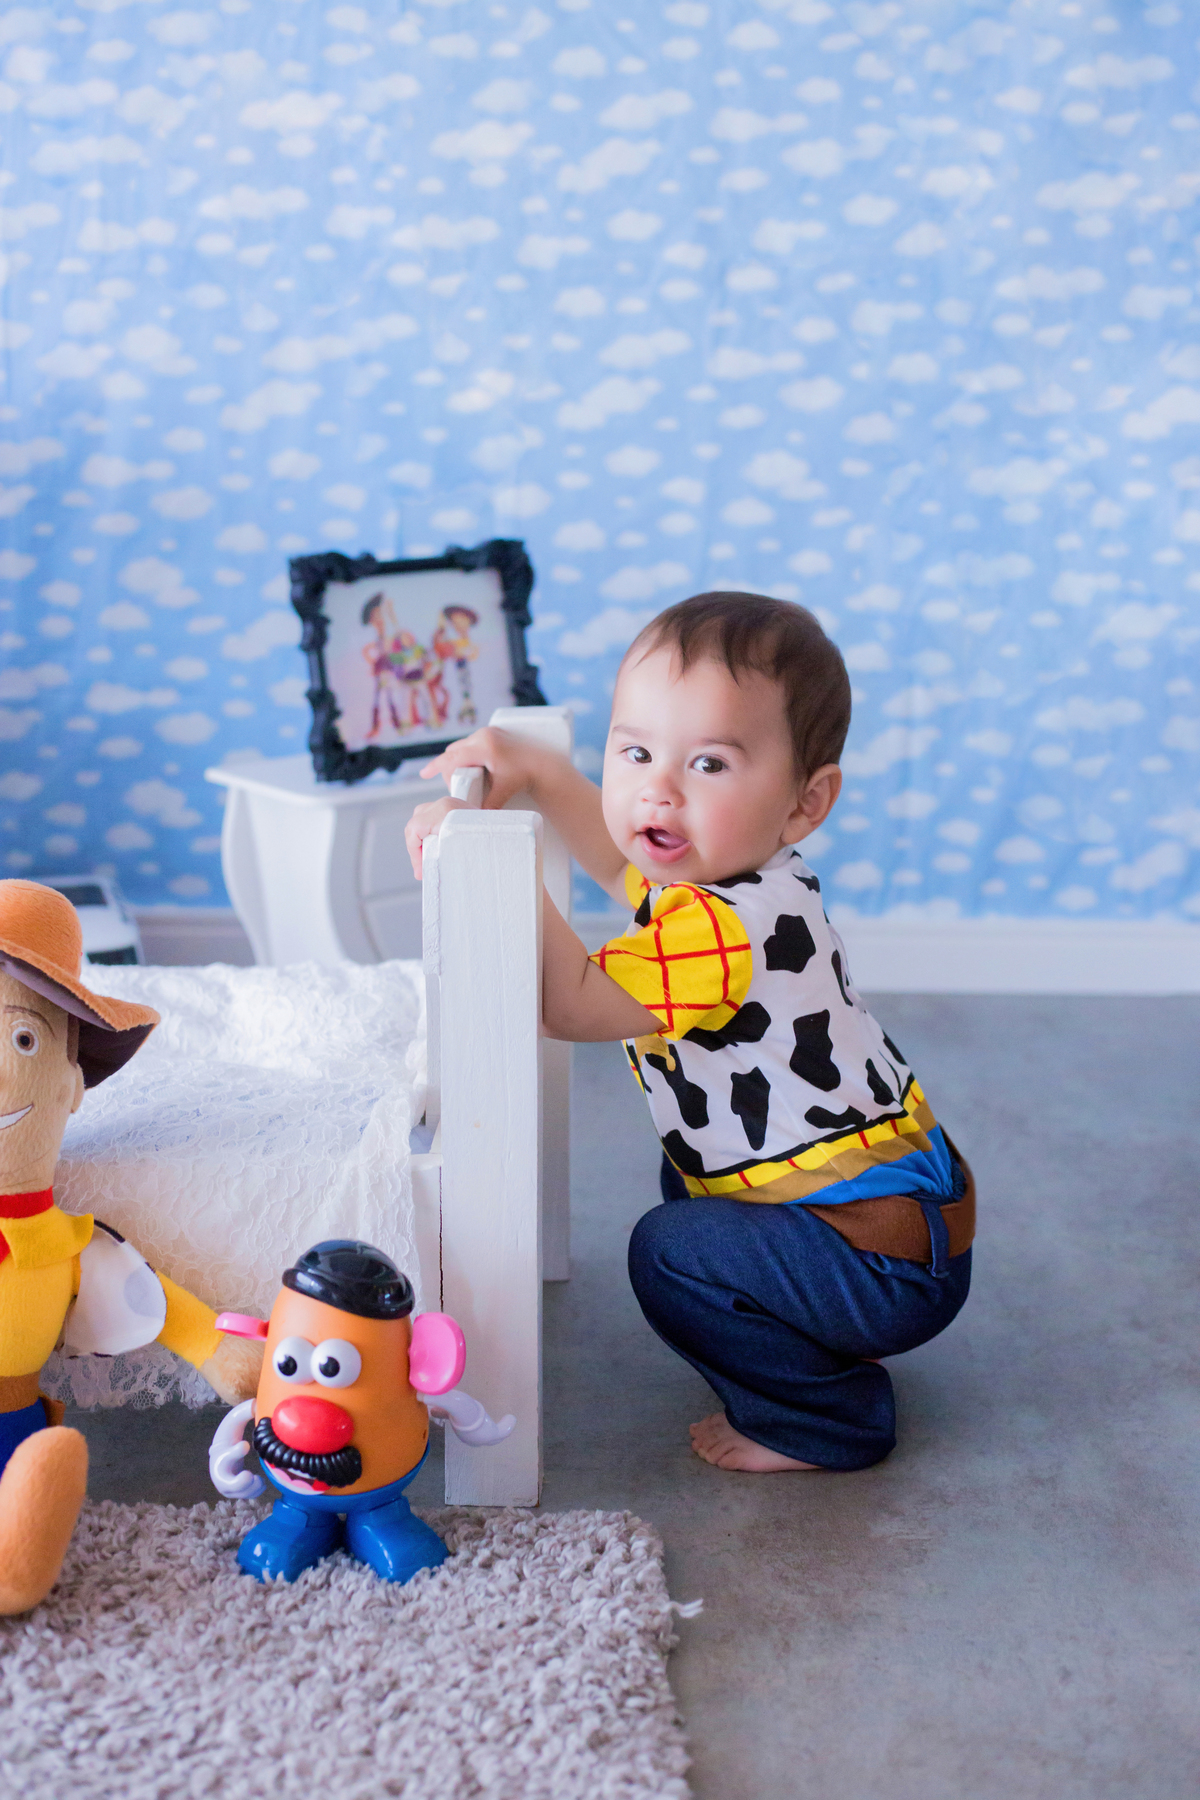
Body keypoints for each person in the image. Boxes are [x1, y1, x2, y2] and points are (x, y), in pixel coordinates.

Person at [405, 592, 973, 1475]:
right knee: (687, 1181)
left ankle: (828, 1419)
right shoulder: (742, 881)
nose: (657, 789)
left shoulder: (721, 930)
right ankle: (806, 1334)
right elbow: (617, 861)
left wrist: (486, 861)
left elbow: (572, 1003)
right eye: (635, 752)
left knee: (670, 1252)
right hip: (898, 1227)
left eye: (708, 763)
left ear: (804, 801)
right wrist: (539, 773)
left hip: (880, 1255)